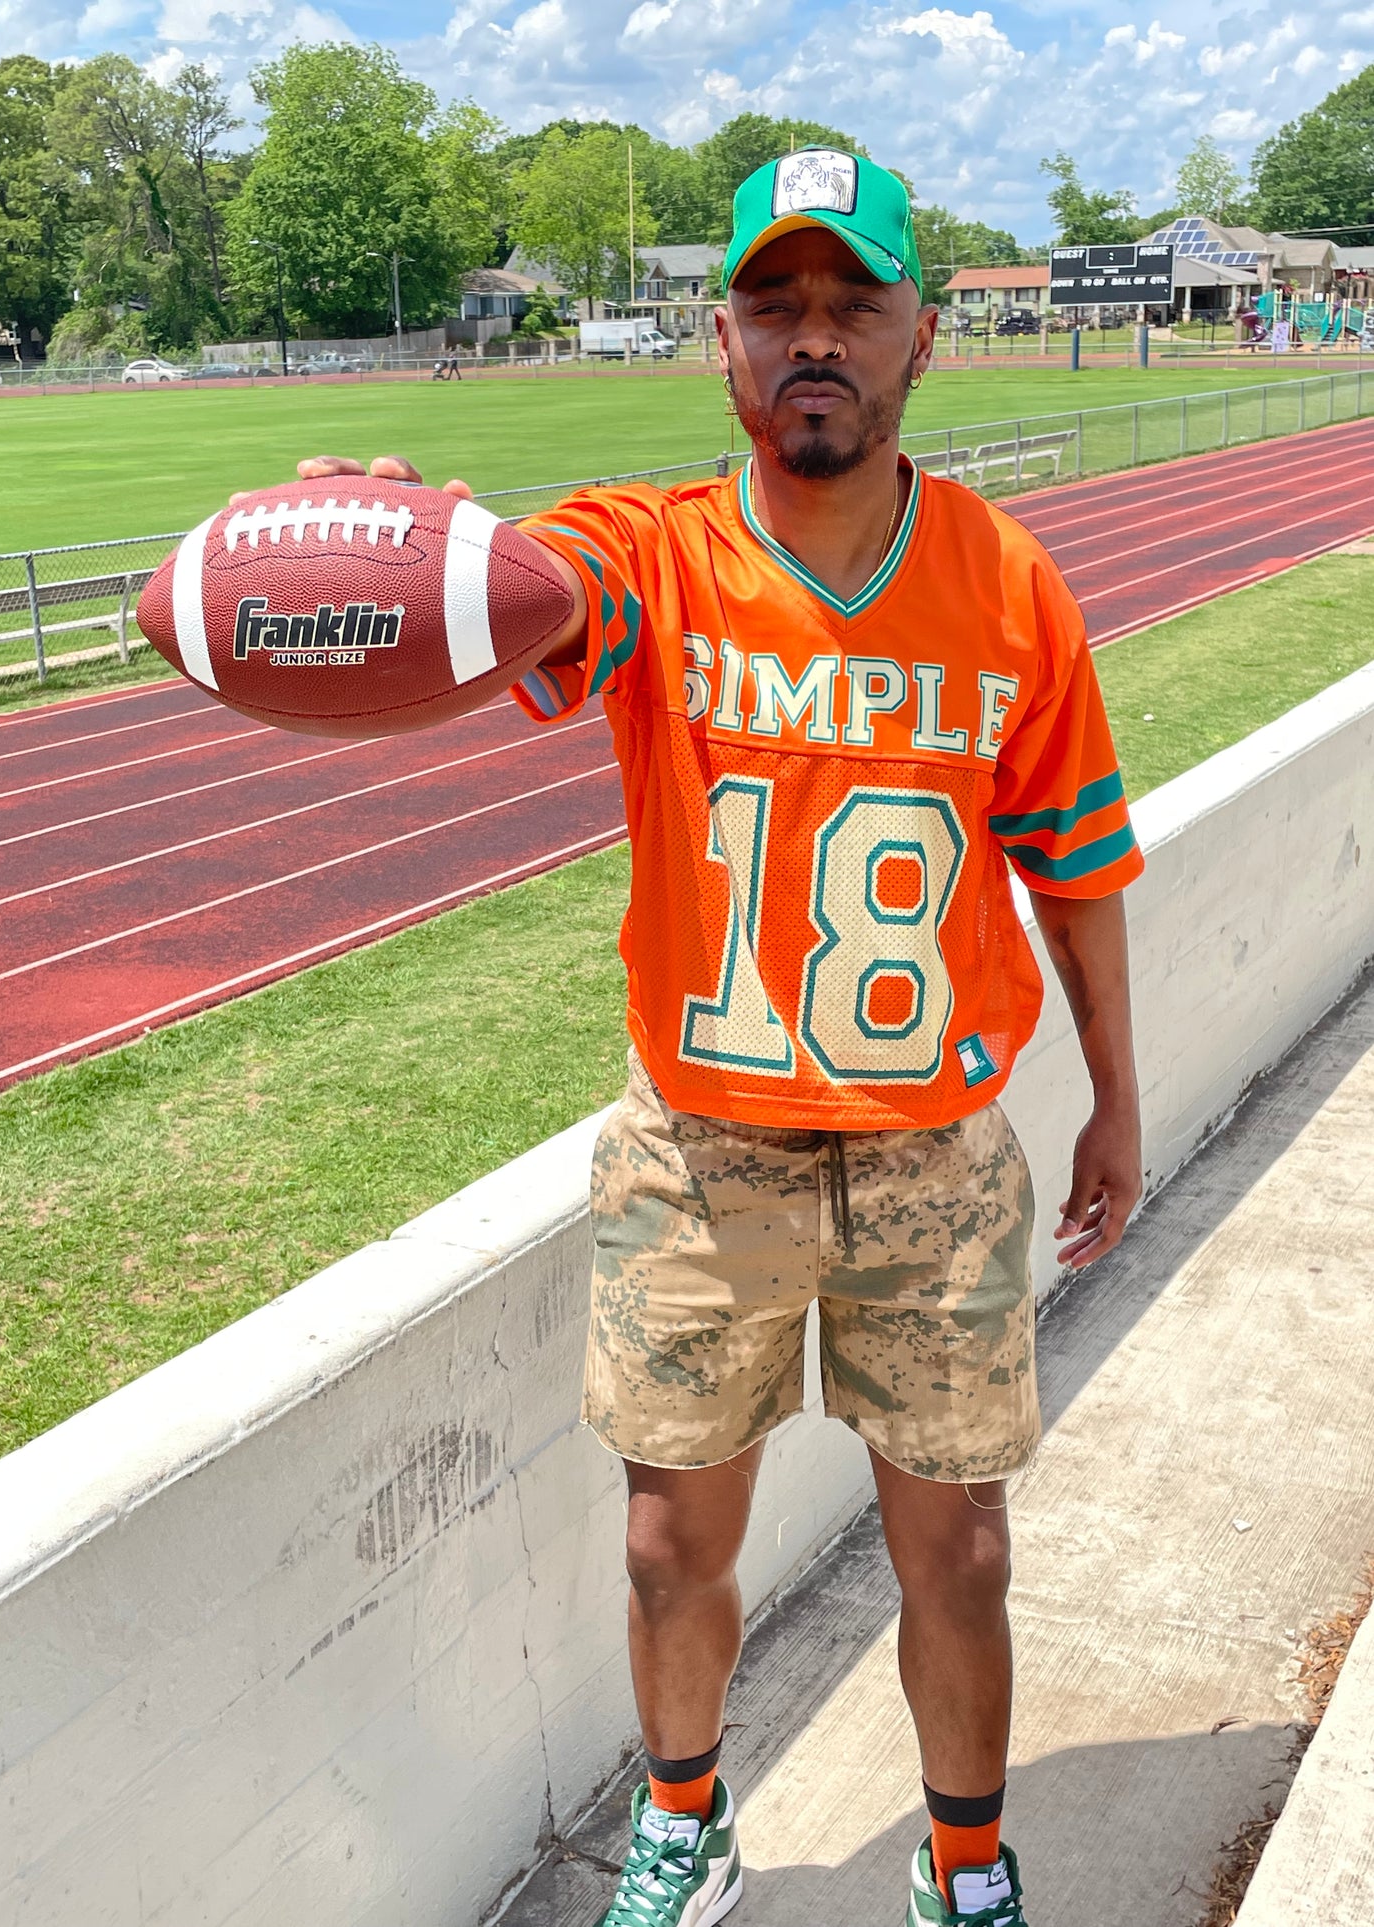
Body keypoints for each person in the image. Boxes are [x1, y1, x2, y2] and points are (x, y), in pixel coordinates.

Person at [293, 149, 1143, 1927]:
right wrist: (407, 548)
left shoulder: (1007, 585)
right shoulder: (652, 551)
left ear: (927, 334)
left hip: (934, 1152)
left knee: (958, 1547)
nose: (813, 336)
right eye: (775, 304)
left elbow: (1071, 866)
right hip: (702, 1149)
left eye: (853, 302)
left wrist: (1114, 1102)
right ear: (725, 344)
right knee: (672, 1539)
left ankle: (966, 1856)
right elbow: (524, 599)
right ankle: (686, 1820)